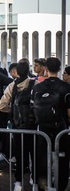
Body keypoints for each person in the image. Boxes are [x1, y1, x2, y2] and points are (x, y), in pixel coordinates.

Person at [31, 57, 70, 191]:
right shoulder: (66, 87)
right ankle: (60, 186)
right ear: (59, 69)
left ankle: (43, 186)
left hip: (42, 128)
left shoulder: (37, 87)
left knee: (41, 159)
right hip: (61, 128)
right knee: (62, 159)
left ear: (45, 69)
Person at [0, 62, 37, 190]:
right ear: (28, 71)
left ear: (17, 72)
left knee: (20, 154)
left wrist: (13, 111)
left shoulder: (12, 86)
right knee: (34, 152)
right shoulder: (35, 84)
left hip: (17, 126)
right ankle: (34, 180)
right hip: (34, 127)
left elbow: (1, 106)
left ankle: (18, 183)